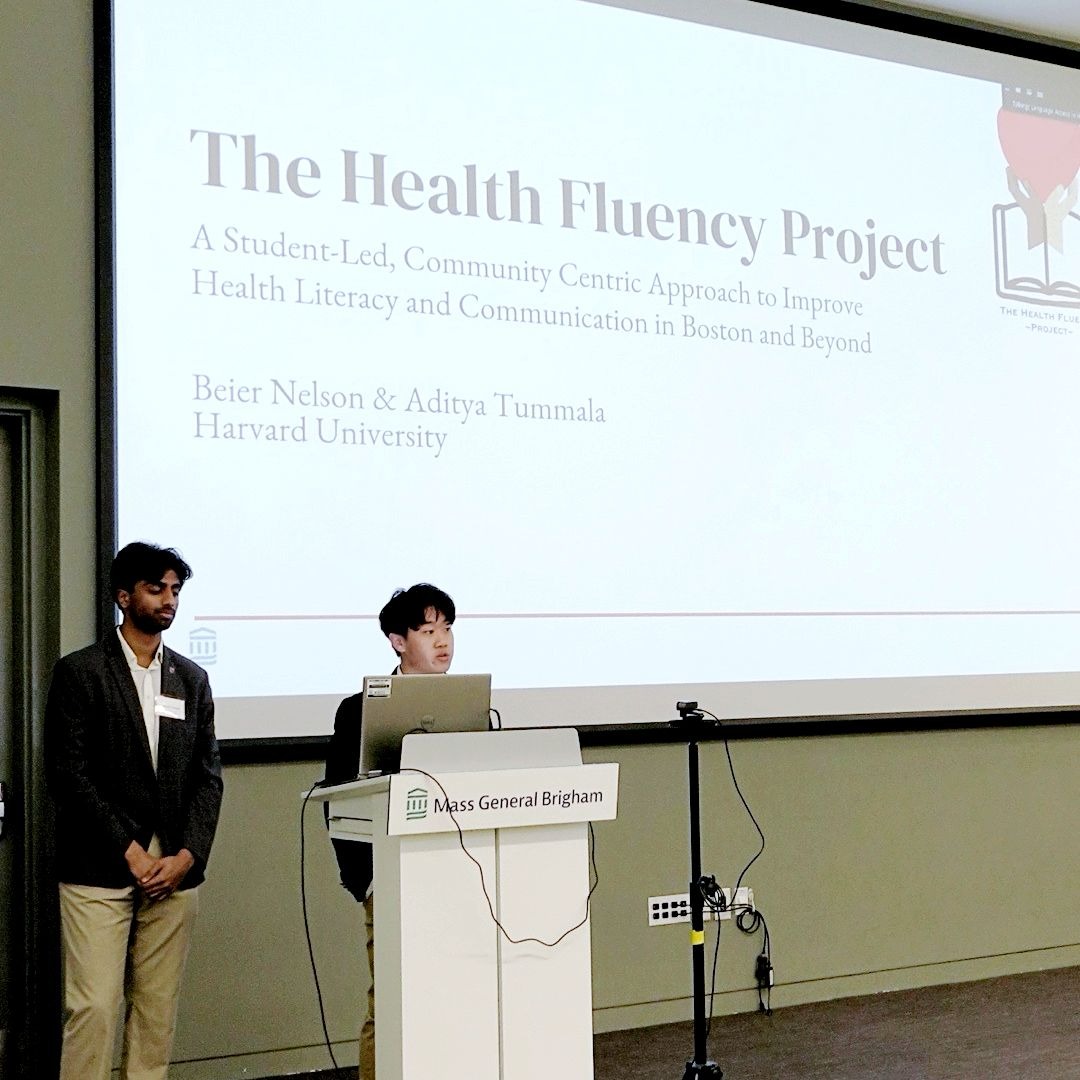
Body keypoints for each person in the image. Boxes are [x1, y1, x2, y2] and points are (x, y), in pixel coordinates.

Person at [45, 542, 224, 1080]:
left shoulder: (191, 679)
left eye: (175, 590)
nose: (169, 599)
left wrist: (187, 855)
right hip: (99, 865)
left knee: (156, 1013)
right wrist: (130, 850)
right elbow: (68, 775)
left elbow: (208, 777)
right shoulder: (81, 672)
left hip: (173, 867)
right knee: (95, 1008)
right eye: (155, 588)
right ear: (123, 597)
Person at [324, 583, 456, 1080]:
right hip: (391, 874)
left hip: (455, 873)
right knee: (393, 1001)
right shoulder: (359, 709)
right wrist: (365, 881)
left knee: (453, 996)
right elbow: (337, 798)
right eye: (428, 630)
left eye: (448, 629)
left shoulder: (468, 708)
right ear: (398, 642)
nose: (442, 641)